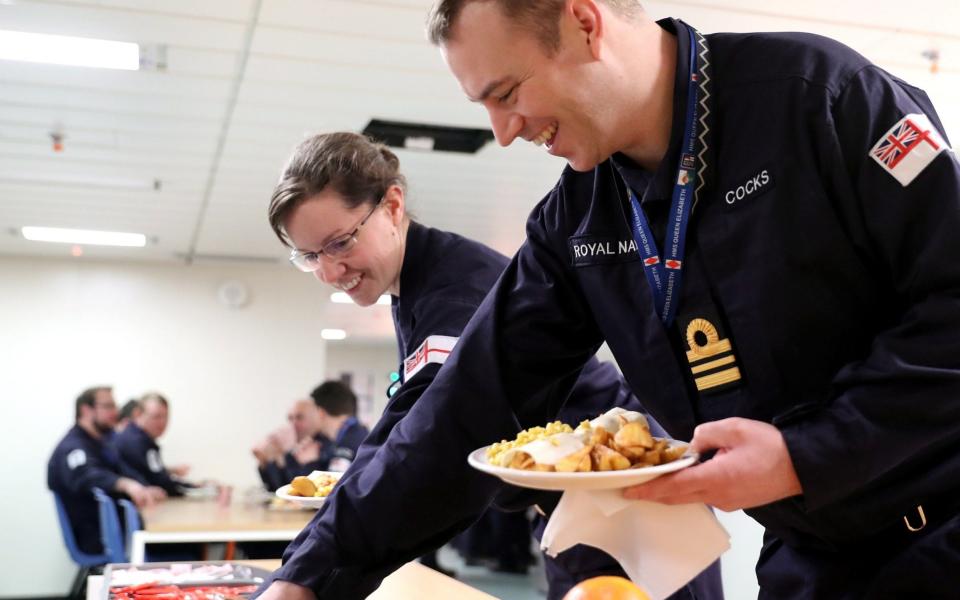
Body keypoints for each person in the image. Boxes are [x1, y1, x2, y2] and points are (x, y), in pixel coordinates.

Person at [257, 1, 960, 598]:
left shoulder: (819, 96)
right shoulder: (578, 219)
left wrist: (806, 453)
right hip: (809, 558)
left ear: (585, 22)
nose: (504, 132)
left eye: (507, 93)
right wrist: (314, 574)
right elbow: (463, 409)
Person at [260, 132, 721, 598]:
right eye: (310, 256)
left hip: (634, 507)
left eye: (340, 243)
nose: (329, 272)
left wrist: (305, 574)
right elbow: (404, 427)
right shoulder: (412, 291)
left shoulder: (456, 291)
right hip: (573, 511)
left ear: (393, 206)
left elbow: (427, 438)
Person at [48, 387, 166, 556]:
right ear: (86, 410)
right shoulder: (74, 447)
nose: (115, 412)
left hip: (118, 531)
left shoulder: (101, 443)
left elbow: (122, 470)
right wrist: (126, 485)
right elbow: (87, 475)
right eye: (108, 406)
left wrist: (143, 487)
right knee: (182, 546)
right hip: (99, 537)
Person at [113, 392, 195, 497]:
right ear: (138, 414)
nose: (162, 422)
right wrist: (196, 488)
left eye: (165, 416)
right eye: (156, 417)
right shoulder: (137, 442)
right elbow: (160, 481)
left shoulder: (137, 438)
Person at [254, 398, 328, 491]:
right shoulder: (294, 446)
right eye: (290, 418)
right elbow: (277, 488)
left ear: (315, 417)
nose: (293, 424)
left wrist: (310, 463)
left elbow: (311, 491)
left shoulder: (326, 445)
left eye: (299, 417)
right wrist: (266, 461)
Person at [309, 381, 369, 473]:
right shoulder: (357, 434)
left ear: (321, 412)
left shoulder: (348, 443)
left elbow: (332, 485)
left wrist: (310, 463)